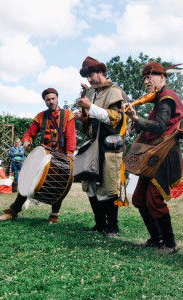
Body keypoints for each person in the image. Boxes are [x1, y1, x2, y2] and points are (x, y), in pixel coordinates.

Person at [123, 61, 183, 254]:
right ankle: (156, 239)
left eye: (149, 77)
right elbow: (156, 125)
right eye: (145, 78)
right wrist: (138, 124)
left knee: (155, 201)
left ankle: (170, 244)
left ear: (162, 77)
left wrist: (136, 120)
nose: (146, 81)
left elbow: (159, 127)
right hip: (153, 154)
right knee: (140, 199)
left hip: (164, 153)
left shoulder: (166, 97)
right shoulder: (160, 98)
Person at [0, 87, 76, 224]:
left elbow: (70, 135)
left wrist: (69, 153)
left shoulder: (68, 114)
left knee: (60, 184)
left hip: (61, 155)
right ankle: (14, 211)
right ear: (45, 101)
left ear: (57, 98)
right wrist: (26, 141)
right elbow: (30, 133)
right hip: (44, 155)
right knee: (28, 180)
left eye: (53, 99)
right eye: (47, 100)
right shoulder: (40, 116)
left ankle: (54, 214)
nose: (50, 101)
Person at [74, 56, 128, 237]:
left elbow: (114, 118)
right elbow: (89, 121)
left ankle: (112, 226)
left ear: (102, 73)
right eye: (87, 76)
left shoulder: (114, 91)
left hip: (109, 145)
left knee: (109, 186)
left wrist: (90, 107)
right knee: (90, 185)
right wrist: (82, 117)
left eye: (92, 75)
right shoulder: (90, 93)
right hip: (92, 145)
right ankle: (99, 224)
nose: (89, 79)